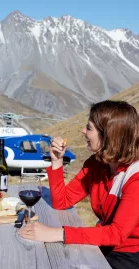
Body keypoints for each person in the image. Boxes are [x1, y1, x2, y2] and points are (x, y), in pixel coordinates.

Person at [18, 100, 139, 269]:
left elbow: (116, 234)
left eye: (89, 128)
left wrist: (57, 233)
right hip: (103, 245)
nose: (83, 131)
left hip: (129, 256)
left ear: (108, 136)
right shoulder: (96, 164)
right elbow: (62, 202)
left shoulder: (135, 178)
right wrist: (57, 161)